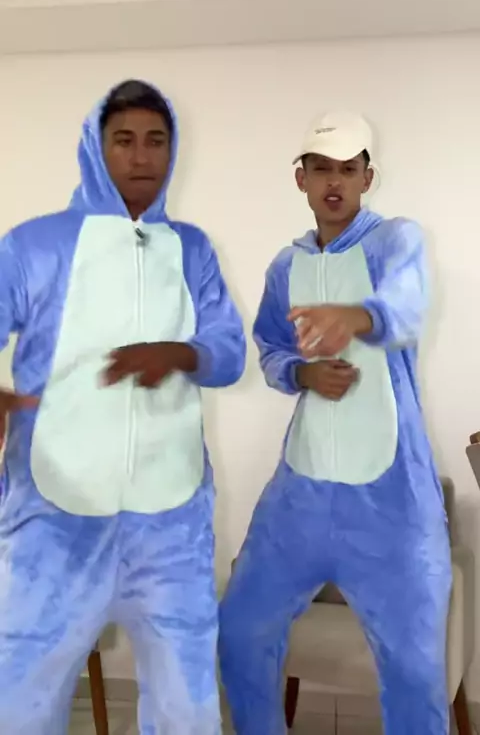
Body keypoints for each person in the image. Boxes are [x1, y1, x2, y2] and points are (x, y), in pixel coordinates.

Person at [0, 79, 246, 735]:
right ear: (96, 147)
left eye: (156, 141)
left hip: (170, 520)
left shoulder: (192, 249)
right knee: (20, 698)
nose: (141, 157)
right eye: (125, 140)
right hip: (53, 515)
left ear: (173, 151)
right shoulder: (34, 245)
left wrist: (180, 353)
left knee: (186, 707)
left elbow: (229, 351)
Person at [219, 112, 451, 735]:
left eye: (348, 169)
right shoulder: (284, 266)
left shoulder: (394, 240)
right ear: (301, 178)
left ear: (367, 177)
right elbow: (271, 348)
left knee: (415, 669)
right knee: (239, 630)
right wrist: (303, 373)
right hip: (303, 490)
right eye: (321, 168)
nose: (334, 182)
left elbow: (406, 304)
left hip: (391, 499)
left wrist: (356, 316)